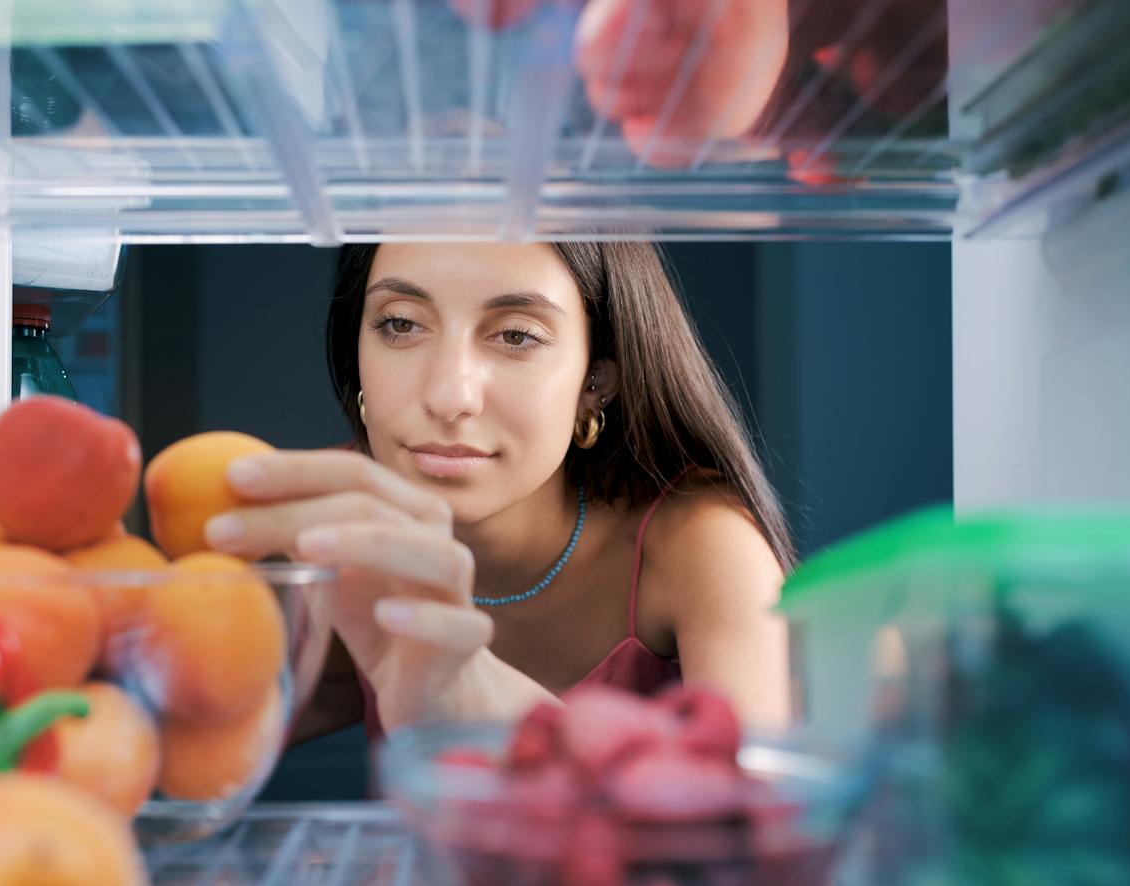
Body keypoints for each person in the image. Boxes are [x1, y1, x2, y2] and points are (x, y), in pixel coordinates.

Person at [204, 242, 794, 738]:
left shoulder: (707, 547)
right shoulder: (337, 525)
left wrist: (479, 694)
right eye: (401, 323)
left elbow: (773, 862)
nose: (449, 395)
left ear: (596, 381)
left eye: (515, 335)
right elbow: (185, 745)